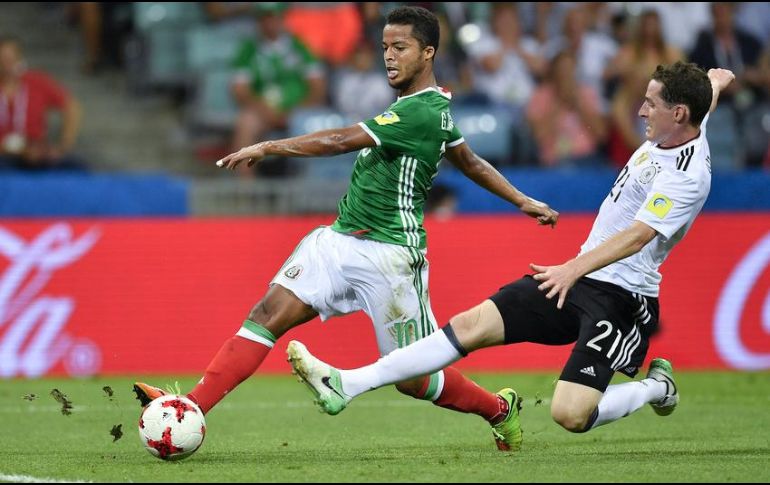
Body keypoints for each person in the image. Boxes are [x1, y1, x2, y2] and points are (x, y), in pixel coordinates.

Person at [134, 6, 559, 452]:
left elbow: (339, 141)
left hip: (391, 255)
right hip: (339, 241)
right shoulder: (422, 108)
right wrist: (523, 200)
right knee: (266, 315)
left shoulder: (423, 113)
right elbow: (469, 160)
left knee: (414, 379)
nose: (389, 57)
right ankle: (190, 408)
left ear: (428, 52)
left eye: (400, 47)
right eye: (384, 47)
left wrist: (270, 145)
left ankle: (498, 409)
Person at [286, 64, 735, 445]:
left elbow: (638, 236)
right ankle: (349, 383)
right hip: (577, 277)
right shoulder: (685, 121)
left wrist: (573, 267)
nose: (641, 110)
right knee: (470, 325)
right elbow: (702, 102)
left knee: (571, 414)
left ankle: (657, 386)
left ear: (678, 113)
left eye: (651, 104)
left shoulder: (687, 174)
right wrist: (714, 82)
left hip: (622, 298)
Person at [0, 36, 83, 171]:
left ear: (20, 59)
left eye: (11, 59)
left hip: (36, 152)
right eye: (3, 60)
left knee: (77, 168)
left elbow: (71, 106)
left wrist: (63, 145)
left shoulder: (36, 81)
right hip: (3, 155)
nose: (8, 65)